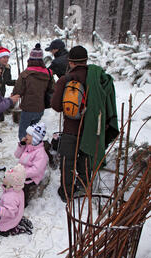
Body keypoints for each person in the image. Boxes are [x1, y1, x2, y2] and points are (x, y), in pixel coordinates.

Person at [51, 45, 119, 202]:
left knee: (68, 160)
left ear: (71, 62)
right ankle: (83, 186)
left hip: (71, 129)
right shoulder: (99, 78)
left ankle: (67, 192)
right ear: (86, 60)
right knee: (86, 157)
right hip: (93, 127)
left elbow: (56, 106)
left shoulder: (66, 79)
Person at [12, 43, 54, 141]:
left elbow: (17, 91)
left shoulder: (25, 74)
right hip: (40, 108)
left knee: (23, 134)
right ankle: (33, 151)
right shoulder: (48, 73)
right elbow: (53, 89)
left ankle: (24, 153)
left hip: (27, 108)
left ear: (30, 59)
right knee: (33, 133)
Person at [0, 164, 33, 236]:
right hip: (17, 216)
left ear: (11, 183)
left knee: (0, 230)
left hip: (7, 221)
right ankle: (16, 222)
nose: (3, 177)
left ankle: (8, 228)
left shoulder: (11, 197)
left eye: (5, 177)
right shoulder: (17, 190)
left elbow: (10, 213)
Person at [14, 122, 49, 207]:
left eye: (29, 135)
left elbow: (36, 170)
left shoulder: (41, 154)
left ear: (35, 138)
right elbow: (17, 155)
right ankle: (11, 198)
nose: (26, 136)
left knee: (22, 187)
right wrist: (21, 146)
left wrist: (22, 173)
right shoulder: (28, 146)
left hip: (32, 177)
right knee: (9, 180)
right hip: (22, 171)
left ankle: (22, 203)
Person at [0, 47, 16, 121]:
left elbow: (8, 81)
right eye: (4, 57)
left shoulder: (7, 68)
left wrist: (18, 82)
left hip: (2, 91)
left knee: (0, 116)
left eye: (7, 57)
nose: (6, 59)